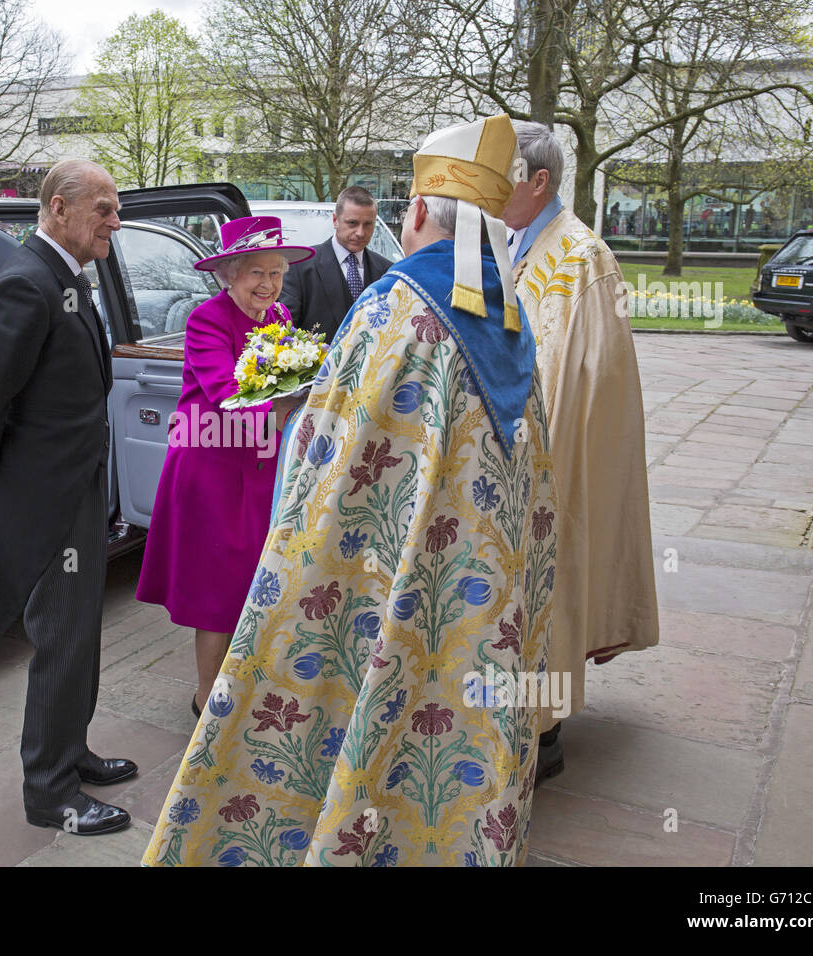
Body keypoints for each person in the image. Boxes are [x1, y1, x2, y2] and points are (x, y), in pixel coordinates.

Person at [143, 114, 558, 867]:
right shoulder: (511, 315)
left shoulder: (394, 312)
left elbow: (325, 464)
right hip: (479, 594)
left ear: (425, 212)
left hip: (383, 585)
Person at [0, 159, 137, 836]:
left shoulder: (63, 277)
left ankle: (71, 751)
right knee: (60, 636)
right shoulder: (25, 285)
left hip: (76, 487)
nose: (115, 221)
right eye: (104, 209)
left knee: (81, 632)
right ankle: (50, 792)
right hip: (45, 496)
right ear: (59, 208)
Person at [502, 121, 659, 782]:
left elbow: (594, 376)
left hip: (555, 454)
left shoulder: (582, 257)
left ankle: (547, 735)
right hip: (515, 450)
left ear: (539, 183)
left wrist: (549, 457)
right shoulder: (515, 242)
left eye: (502, 175)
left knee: (551, 585)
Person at [135, 216, 314, 719]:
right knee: (217, 592)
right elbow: (226, 394)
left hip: (262, 468)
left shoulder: (278, 315)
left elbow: (292, 378)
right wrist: (284, 409)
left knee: (259, 583)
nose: (268, 284)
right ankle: (207, 701)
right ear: (228, 275)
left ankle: (247, 685)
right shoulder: (206, 320)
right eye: (256, 272)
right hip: (212, 470)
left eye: (275, 273)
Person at [278, 185, 392, 335]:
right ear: (335, 220)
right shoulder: (299, 267)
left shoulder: (388, 272)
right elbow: (286, 332)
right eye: (352, 223)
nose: (360, 232)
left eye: (368, 224)